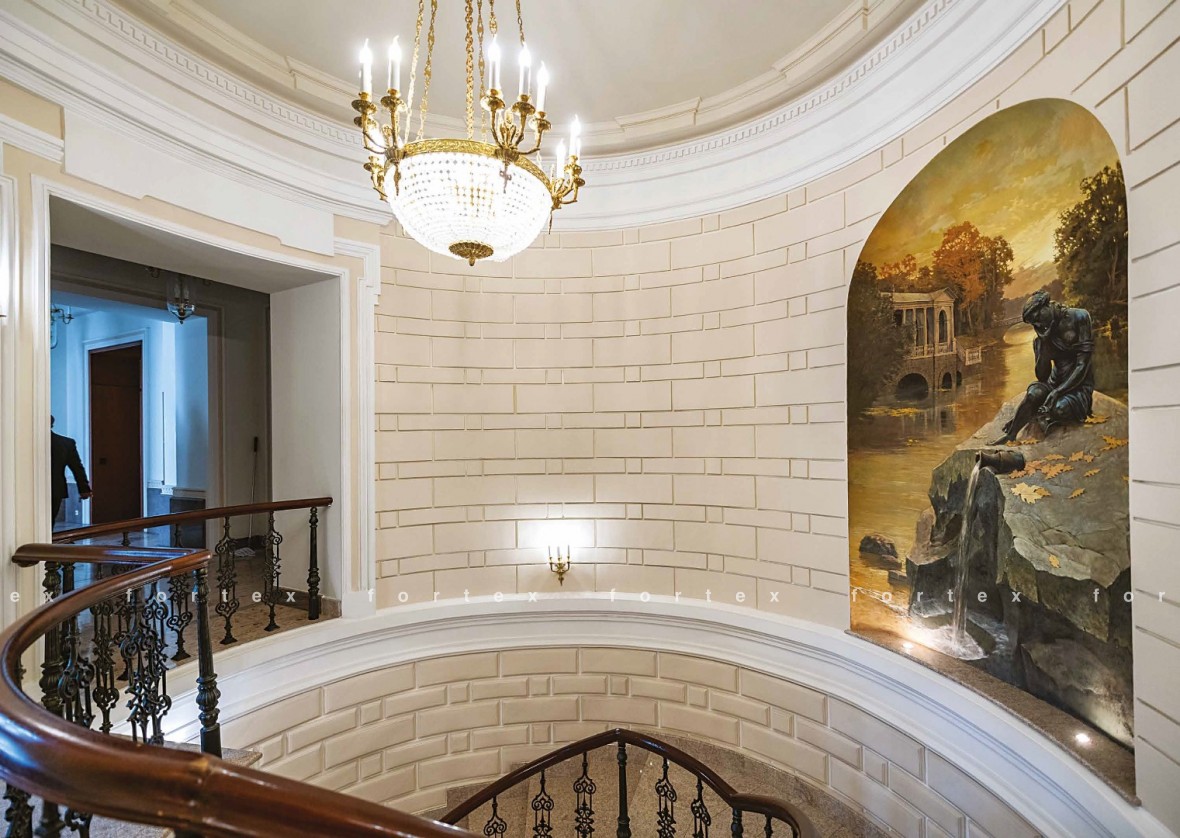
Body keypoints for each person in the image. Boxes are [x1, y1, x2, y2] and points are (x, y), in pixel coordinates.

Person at [991, 290, 1095, 445]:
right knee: (1033, 394)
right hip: (1054, 384)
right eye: (1034, 323)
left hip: (1078, 386)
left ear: (1046, 305)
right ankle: (1011, 435)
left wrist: (1057, 392)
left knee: (1059, 409)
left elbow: (1082, 365)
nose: (1038, 325)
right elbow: (1042, 377)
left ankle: (1039, 415)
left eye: (1038, 318)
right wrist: (1044, 345)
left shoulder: (1079, 317)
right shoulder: (1039, 340)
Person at [51, 415, 91, 523]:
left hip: (27, 488)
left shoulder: (25, 442)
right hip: (56, 488)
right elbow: (77, 467)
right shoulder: (66, 443)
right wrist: (84, 489)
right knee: (50, 521)